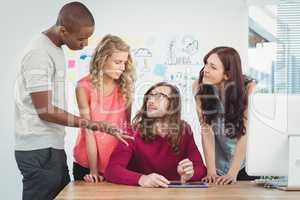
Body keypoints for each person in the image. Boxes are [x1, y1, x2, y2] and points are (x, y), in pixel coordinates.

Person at [14, 2, 132, 200]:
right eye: (81, 39)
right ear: (63, 30)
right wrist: (95, 125)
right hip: (39, 150)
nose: (85, 44)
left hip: (52, 146)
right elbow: (45, 110)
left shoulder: (55, 49)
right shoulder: (39, 53)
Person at [105, 82, 207, 187]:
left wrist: (190, 174)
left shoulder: (184, 130)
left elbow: (200, 168)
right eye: (149, 96)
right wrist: (141, 179)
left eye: (159, 96)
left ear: (173, 105)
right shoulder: (132, 132)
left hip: (174, 194)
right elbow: (112, 170)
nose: (151, 101)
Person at [73, 34, 135, 183]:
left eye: (124, 63)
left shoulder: (125, 86)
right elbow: (88, 129)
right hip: (88, 163)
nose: (122, 67)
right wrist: (93, 171)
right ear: (103, 59)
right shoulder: (83, 86)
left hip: (117, 163)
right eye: (117, 62)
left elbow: (127, 129)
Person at [192, 46, 257, 185]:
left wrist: (232, 173)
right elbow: (206, 130)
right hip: (219, 162)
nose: (205, 70)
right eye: (206, 63)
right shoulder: (198, 87)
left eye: (213, 67)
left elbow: (244, 133)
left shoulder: (248, 89)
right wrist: (211, 171)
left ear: (227, 74)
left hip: (245, 162)